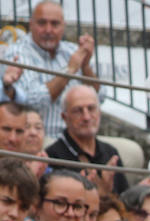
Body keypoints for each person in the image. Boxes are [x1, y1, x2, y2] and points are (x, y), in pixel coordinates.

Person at [7, 1, 100, 139]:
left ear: (63, 26)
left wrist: (85, 67)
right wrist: (69, 71)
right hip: (38, 140)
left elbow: (100, 96)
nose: (48, 30)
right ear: (31, 24)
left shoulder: (72, 50)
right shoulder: (17, 53)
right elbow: (31, 102)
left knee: (130, 151)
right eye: (42, 23)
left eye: (55, 24)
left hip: (77, 139)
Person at [44, 85, 127, 196]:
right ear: (64, 117)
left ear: (99, 112)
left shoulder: (110, 151)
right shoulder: (52, 156)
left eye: (91, 108)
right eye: (78, 111)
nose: (86, 117)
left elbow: (124, 199)